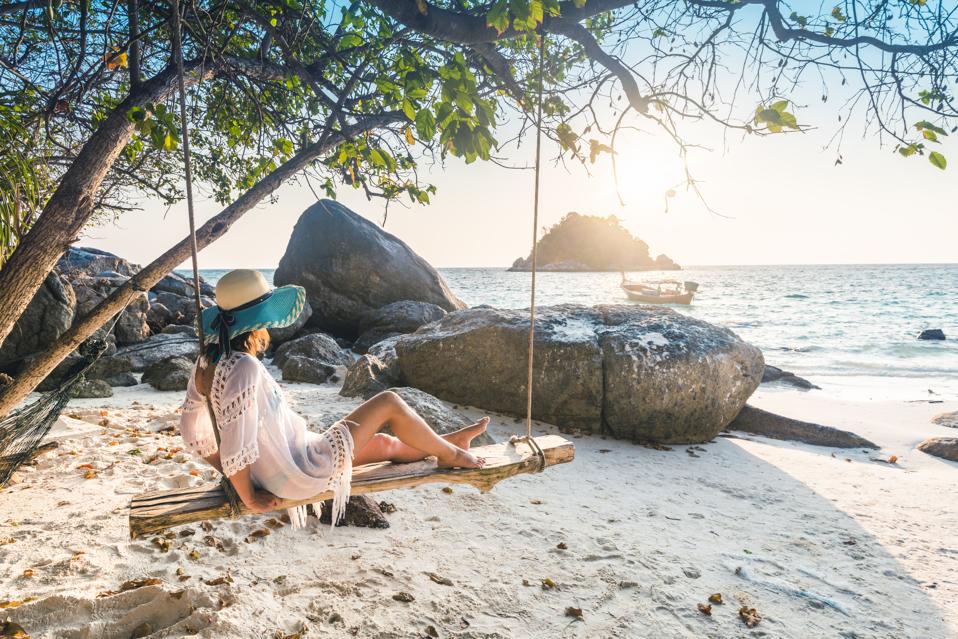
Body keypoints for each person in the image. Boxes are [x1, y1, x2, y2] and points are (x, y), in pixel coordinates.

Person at [178, 269, 488, 526]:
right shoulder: (244, 366)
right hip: (295, 472)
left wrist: (240, 472)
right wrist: (249, 495)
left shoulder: (205, 363)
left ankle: (448, 443)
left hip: (281, 462)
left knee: (381, 443)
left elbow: (193, 433)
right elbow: (237, 444)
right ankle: (453, 455)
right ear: (258, 323)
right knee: (389, 402)